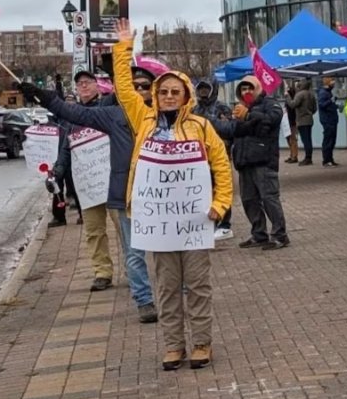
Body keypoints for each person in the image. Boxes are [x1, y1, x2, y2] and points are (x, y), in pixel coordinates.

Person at [111, 19, 233, 371]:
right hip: (157, 222)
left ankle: (201, 343)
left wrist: (220, 204)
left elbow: (221, 167)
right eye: (162, 91)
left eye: (173, 92)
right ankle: (173, 345)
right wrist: (124, 48)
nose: (167, 96)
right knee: (165, 286)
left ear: (185, 96)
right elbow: (123, 88)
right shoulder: (144, 119)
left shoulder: (200, 126)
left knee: (197, 285)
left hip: (194, 221)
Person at [20, 70, 158, 324]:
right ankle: (128, 288)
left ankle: (151, 284)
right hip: (100, 186)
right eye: (79, 83)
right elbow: (70, 123)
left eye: (145, 86)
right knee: (112, 239)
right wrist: (44, 96)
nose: (139, 91)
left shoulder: (148, 114)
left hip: (141, 189)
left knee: (145, 245)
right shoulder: (105, 116)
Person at [53, 69, 114, 292]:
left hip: (112, 181)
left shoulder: (108, 107)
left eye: (88, 82)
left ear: (98, 86)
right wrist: (58, 170)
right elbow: (66, 149)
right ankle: (102, 272)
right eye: (80, 84)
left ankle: (133, 268)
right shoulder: (73, 116)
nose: (84, 87)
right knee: (94, 231)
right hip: (88, 184)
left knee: (124, 228)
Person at [224, 75, 289, 249]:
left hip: (264, 161)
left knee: (269, 199)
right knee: (249, 200)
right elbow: (235, 131)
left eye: (250, 88)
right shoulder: (239, 108)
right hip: (244, 162)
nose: (247, 92)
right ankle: (258, 234)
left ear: (258, 88)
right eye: (243, 89)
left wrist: (250, 115)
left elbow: (273, 119)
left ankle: (279, 236)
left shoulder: (270, 104)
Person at [193, 79, 236, 241]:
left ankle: (225, 225)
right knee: (204, 190)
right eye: (201, 89)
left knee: (222, 188)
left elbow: (230, 129)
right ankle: (209, 222)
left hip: (219, 154)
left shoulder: (221, 107)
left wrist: (209, 123)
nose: (203, 92)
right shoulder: (194, 109)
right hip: (198, 158)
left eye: (206, 89)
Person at [287, 79, 316, 166]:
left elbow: (292, 104)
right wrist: (309, 113)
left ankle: (308, 158)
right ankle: (309, 157)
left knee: (305, 140)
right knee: (309, 139)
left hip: (301, 120)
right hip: (309, 119)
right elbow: (315, 109)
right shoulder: (311, 94)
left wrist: (287, 97)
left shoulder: (300, 94)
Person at [317, 76, 340, 167]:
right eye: (332, 82)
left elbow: (328, 105)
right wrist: (331, 101)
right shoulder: (323, 93)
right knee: (328, 140)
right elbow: (322, 105)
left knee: (331, 139)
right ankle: (326, 160)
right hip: (328, 120)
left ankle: (330, 159)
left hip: (331, 119)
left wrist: (336, 106)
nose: (333, 84)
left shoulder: (327, 92)